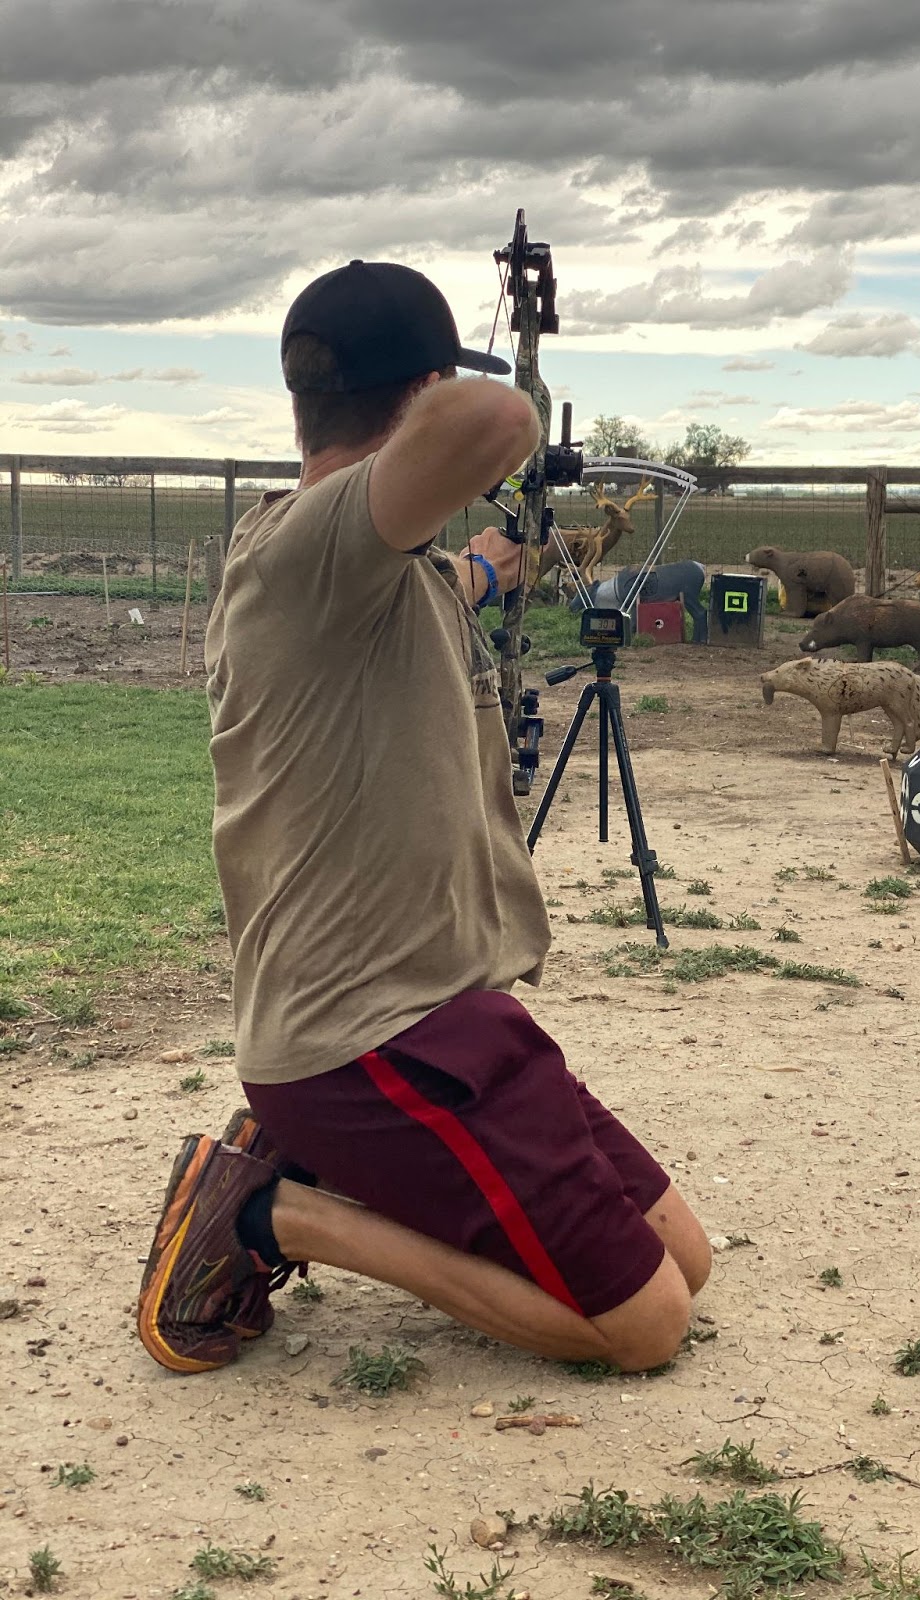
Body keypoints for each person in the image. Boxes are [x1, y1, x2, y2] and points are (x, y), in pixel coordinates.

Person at [136, 259, 710, 1378]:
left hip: (453, 1014)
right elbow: (496, 416)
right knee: (646, 1327)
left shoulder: (378, 572)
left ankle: (319, 1170)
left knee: (686, 1262)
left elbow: (436, 579)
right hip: (362, 1039)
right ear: (425, 390)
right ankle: (279, 1212)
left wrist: (487, 569)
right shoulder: (311, 544)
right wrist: (479, 386)